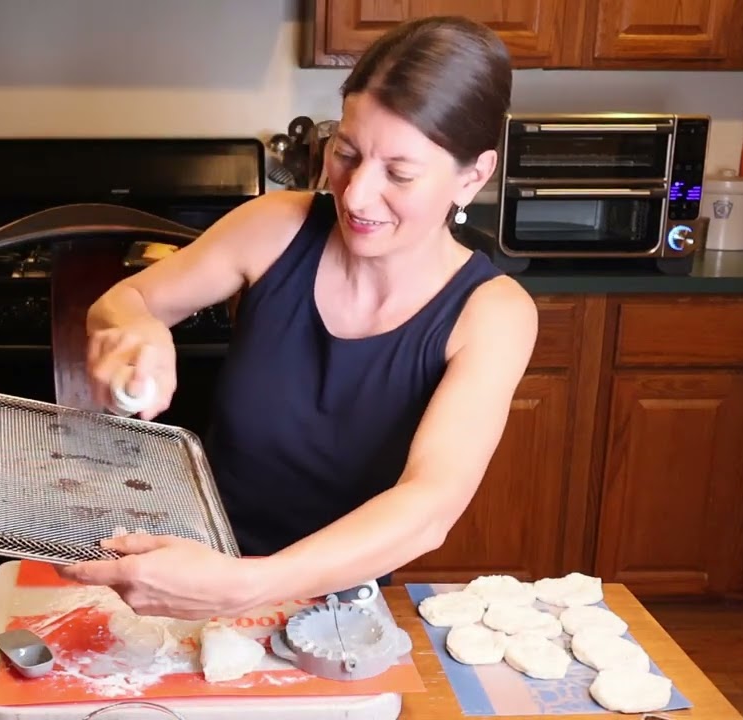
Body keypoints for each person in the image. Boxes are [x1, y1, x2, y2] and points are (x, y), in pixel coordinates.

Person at [59, 15, 538, 620]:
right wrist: (140, 330)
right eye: (347, 153)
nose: (356, 195)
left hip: (337, 610)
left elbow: (429, 506)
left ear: (472, 177)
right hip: (179, 566)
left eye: (399, 173)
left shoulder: (492, 314)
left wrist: (247, 584)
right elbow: (121, 302)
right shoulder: (275, 227)